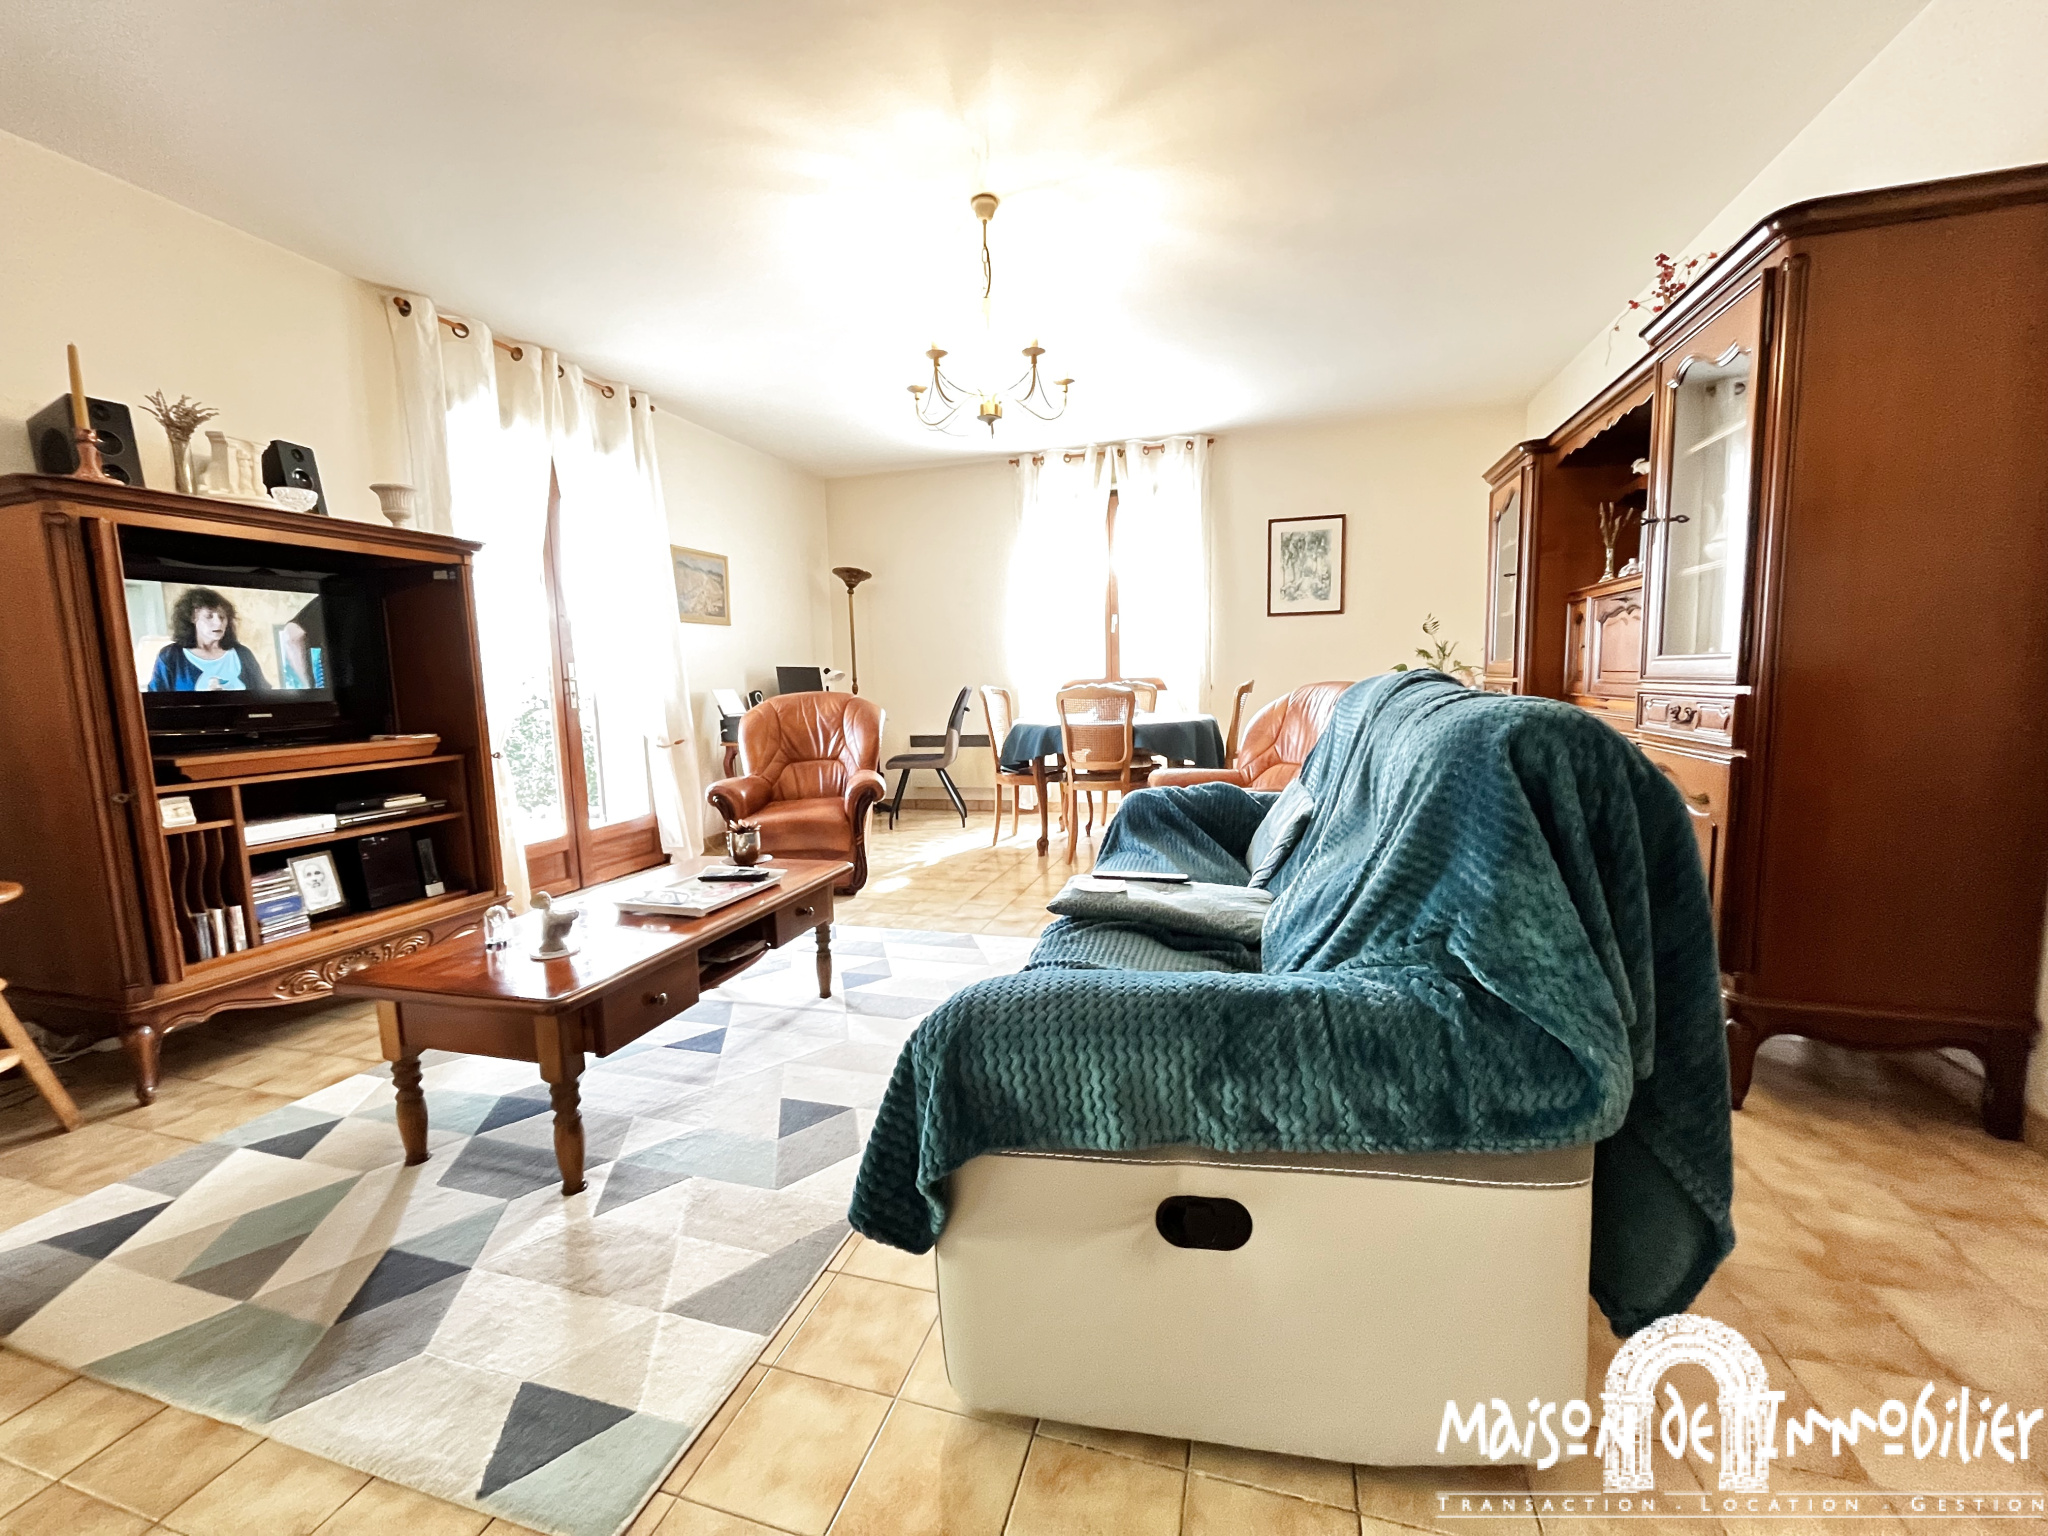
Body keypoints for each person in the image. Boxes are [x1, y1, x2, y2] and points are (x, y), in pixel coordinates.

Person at [146, 588, 274, 692]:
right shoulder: (170, 656)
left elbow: (264, 696)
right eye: (209, 616)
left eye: (222, 617)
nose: (218, 623)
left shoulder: (243, 654)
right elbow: (156, 704)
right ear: (192, 618)